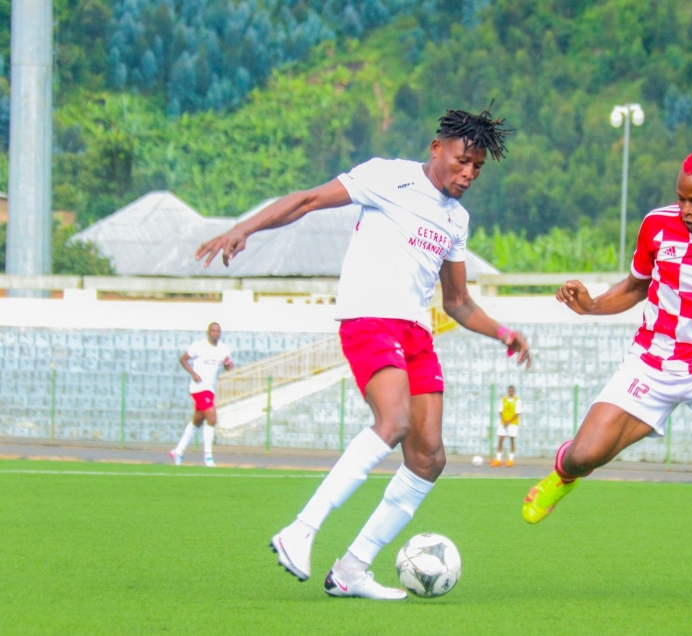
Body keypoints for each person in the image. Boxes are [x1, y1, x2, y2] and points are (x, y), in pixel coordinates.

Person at [194, 107, 532, 600]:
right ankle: (301, 530)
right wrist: (244, 228)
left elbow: (457, 301)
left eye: (477, 168)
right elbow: (307, 200)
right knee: (392, 421)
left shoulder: (457, 219)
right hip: (370, 317)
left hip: (415, 331)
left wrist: (503, 333)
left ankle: (352, 569)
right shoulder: (386, 177)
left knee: (428, 457)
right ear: (437, 148)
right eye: (462, 161)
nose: (468, 174)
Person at [521, 150, 692, 612]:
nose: (686, 210)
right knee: (588, 455)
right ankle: (563, 471)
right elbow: (634, 287)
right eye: (681, 199)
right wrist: (589, 304)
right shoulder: (657, 226)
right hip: (651, 362)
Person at [169, 322, 234, 468]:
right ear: (208, 332)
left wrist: (228, 365)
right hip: (199, 388)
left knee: (197, 420)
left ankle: (178, 451)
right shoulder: (199, 346)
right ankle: (208, 457)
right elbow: (183, 359)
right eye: (213, 331)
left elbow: (228, 365)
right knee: (212, 418)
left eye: (218, 331)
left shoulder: (224, 349)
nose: (216, 333)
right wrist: (193, 374)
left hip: (210, 389)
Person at [491, 385, 521, 467]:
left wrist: (509, 421)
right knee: (500, 439)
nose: (510, 392)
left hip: (513, 424)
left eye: (512, 391)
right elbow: (500, 411)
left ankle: (511, 460)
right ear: (508, 391)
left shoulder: (517, 400)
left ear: (514, 392)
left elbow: (517, 413)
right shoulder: (503, 400)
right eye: (509, 391)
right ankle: (498, 459)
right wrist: (504, 421)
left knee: (512, 440)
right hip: (503, 423)